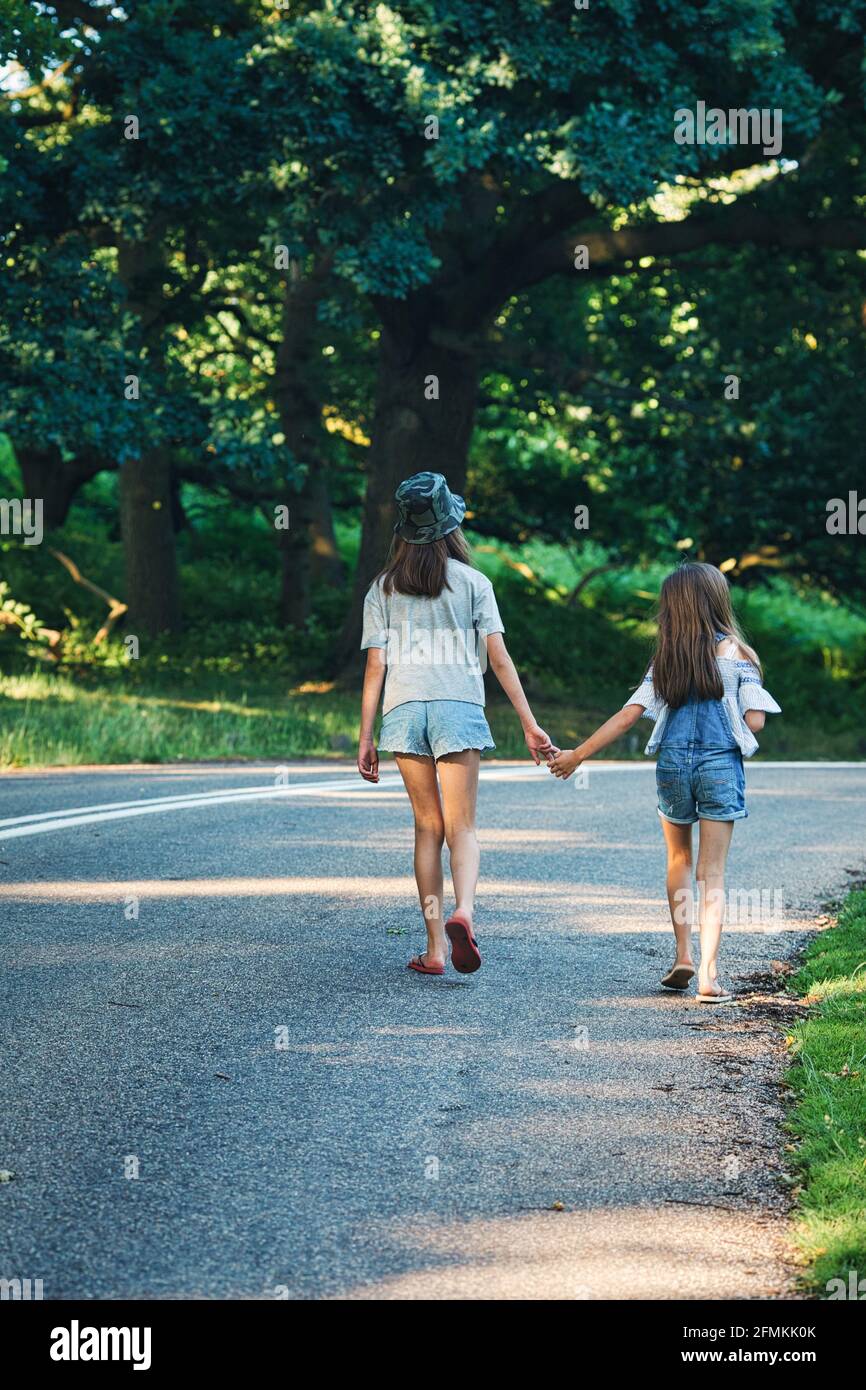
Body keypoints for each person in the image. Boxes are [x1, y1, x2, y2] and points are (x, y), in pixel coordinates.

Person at [549, 561, 781, 1002]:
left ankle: (683, 956)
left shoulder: (665, 660)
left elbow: (627, 717)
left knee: (678, 860)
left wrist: (577, 755)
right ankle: (710, 977)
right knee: (711, 873)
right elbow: (756, 722)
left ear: (671, 608)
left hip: (672, 765)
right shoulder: (739, 655)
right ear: (718, 601)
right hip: (719, 766)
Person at [357, 471, 556, 976]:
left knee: (427, 828)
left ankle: (433, 949)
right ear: (451, 526)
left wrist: (366, 737)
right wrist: (530, 725)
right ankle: (463, 911)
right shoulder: (473, 583)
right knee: (461, 826)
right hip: (458, 708)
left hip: (403, 712)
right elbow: (500, 659)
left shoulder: (382, 589)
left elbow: (375, 667)